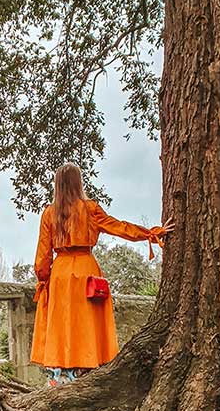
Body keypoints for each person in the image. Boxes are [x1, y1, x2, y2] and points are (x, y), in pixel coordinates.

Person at [30, 163, 173, 387]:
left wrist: (43, 277)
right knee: (87, 322)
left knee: (62, 324)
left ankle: (60, 378)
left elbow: (42, 254)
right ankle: (87, 371)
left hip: (60, 274)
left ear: (57, 185)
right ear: (79, 183)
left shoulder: (49, 213)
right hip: (86, 269)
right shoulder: (90, 209)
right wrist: (150, 233)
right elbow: (119, 227)